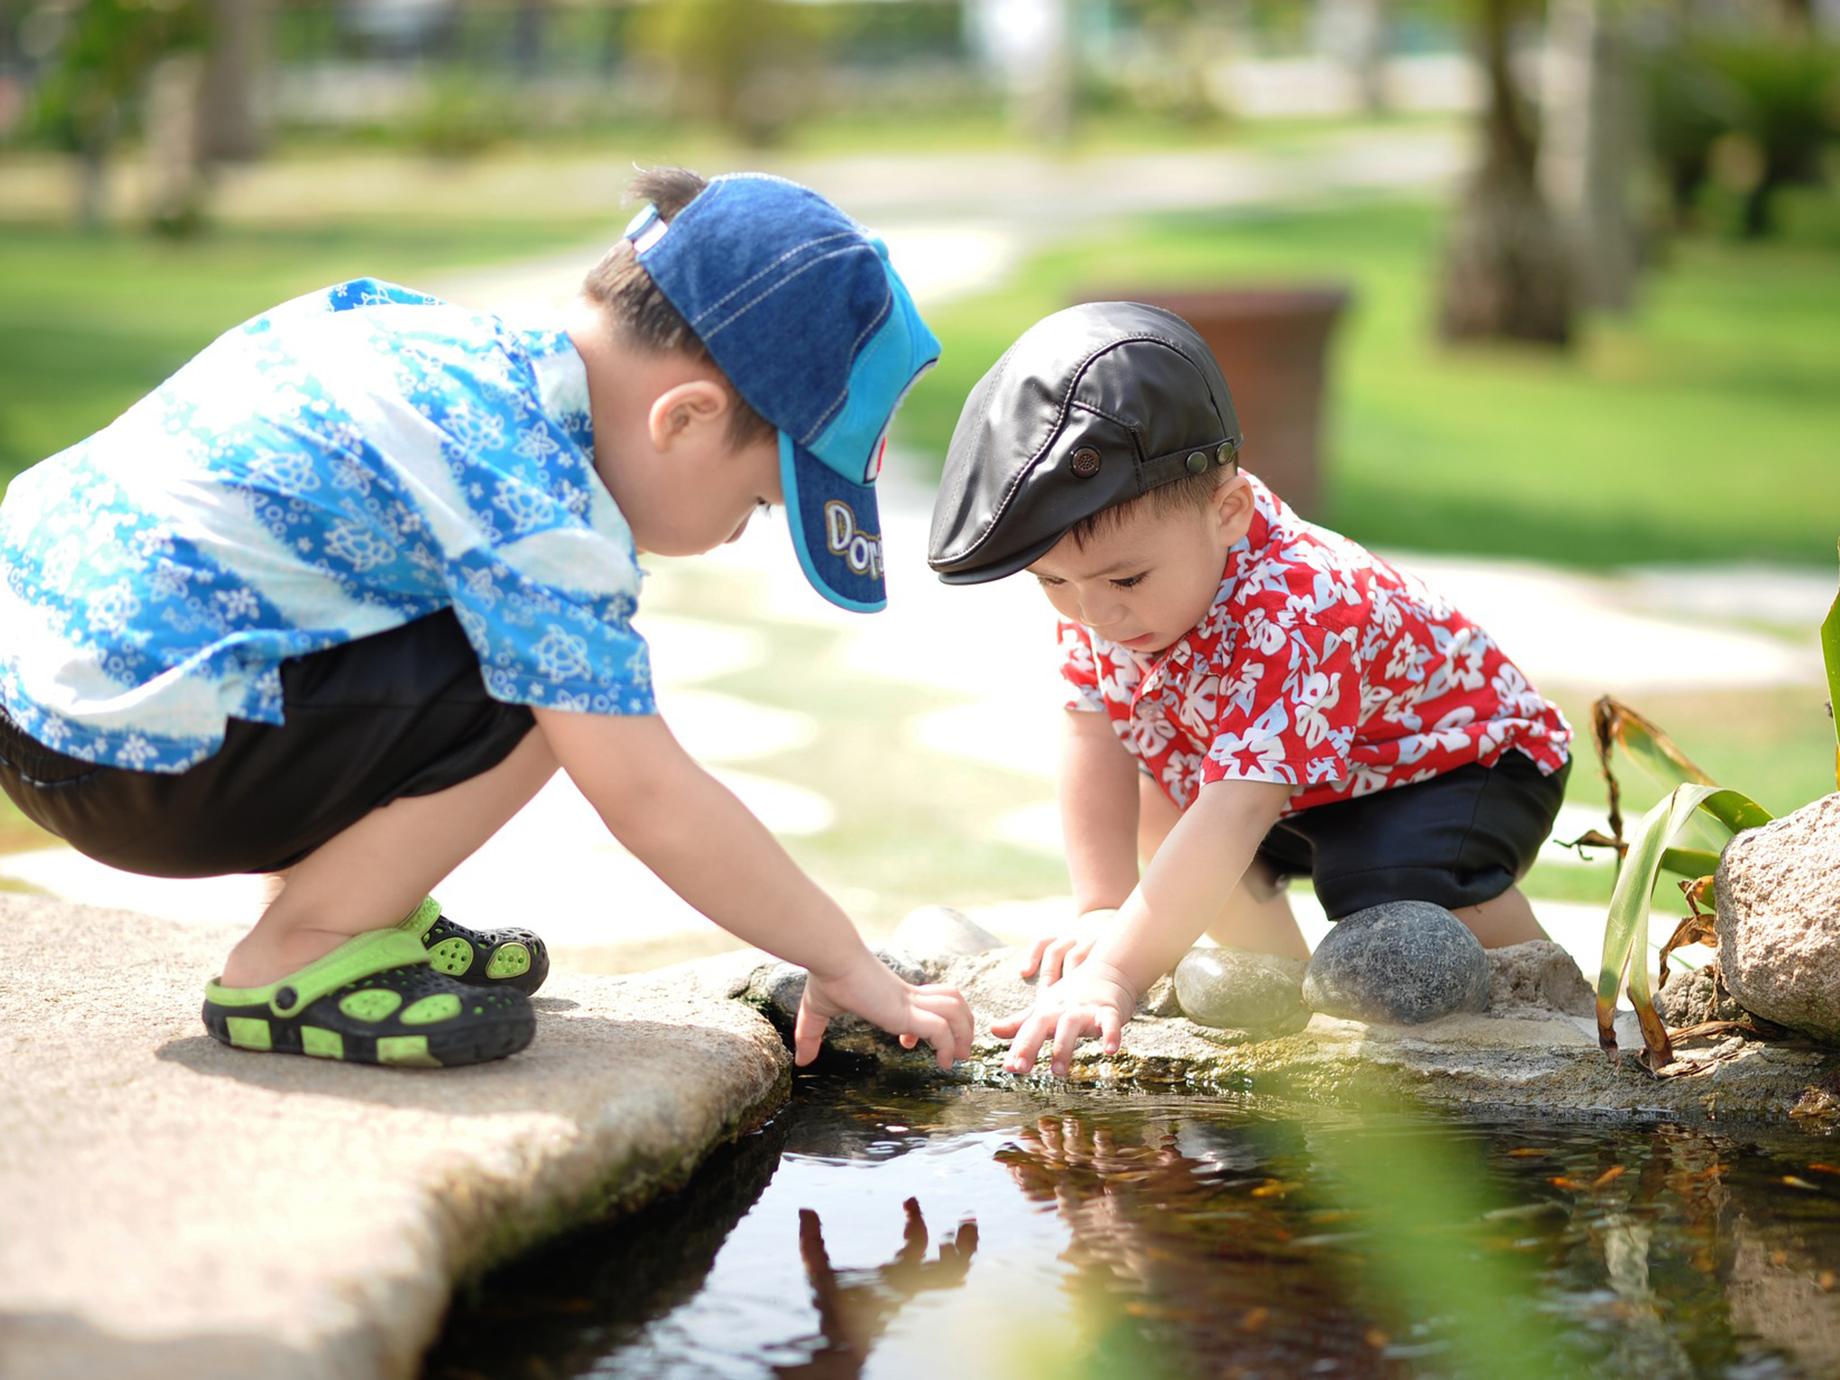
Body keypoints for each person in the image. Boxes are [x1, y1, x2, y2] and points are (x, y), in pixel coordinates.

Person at [0, 167, 974, 1072]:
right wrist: (845, 961)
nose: (734, 537)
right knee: (561, 693)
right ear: (682, 418)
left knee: (472, 627)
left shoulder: (425, 340)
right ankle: (304, 950)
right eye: (759, 503)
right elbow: (644, 794)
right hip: (134, 765)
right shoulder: (540, 500)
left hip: (40, 704)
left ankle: (354, 904)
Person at [926, 301, 1572, 1076]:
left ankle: (1547, 1000)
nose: (1095, 612)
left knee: (1381, 883)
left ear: (1228, 511)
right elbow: (1092, 734)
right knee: (1164, 792)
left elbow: (1239, 809)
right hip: (1300, 781)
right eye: (1052, 582)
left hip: (1460, 766)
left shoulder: (1299, 605)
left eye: (1126, 577)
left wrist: (1115, 973)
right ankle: (1282, 1002)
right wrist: (1103, 907)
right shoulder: (1105, 599)